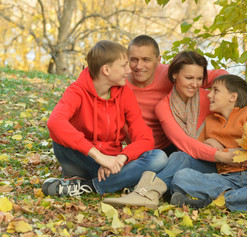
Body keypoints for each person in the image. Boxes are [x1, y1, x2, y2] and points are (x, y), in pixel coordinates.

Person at [103, 51, 236, 209]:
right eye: (189, 78)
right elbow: (184, 142)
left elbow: (234, 125)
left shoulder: (210, 99)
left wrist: (219, 145)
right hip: (198, 163)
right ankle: (164, 194)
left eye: (199, 79)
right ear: (174, 76)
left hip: (226, 163)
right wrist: (215, 151)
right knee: (178, 159)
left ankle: (145, 192)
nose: (195, 84)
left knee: (179, 159)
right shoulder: (163, 107)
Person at [42, 40, 168, 197]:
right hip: (83, 157)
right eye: (124, 65)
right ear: (106, 70)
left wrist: (120, 159)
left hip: (112, 164)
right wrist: (99, 157)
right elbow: (54, 122)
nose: (129, 70)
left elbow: (145, 137)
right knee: (59, 135)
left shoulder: (124, 93)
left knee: (159, 157)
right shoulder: (77, 91)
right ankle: (120, 182)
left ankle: (87, 186)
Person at [169, 74, 247, 214]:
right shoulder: (209, 121)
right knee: (181, 176)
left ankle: (212, 203)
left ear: (232, 97)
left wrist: (222, 152)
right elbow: (192, 148)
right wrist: (208, 142)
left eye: (216, 90)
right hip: (225, 180)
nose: (209, 95)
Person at [125, 35, 228, 156]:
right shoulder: (119, 83)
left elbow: (219, 76)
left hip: (170, 145)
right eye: (134, 59)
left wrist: (228, 98)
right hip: (139, 150)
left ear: (158, 60)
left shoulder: (172, 74)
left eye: (146, 60)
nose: (139, 66)